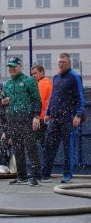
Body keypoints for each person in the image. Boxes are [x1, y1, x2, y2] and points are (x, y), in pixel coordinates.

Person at [42, 53, 85, 184]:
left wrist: (78, 114)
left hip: (68, 118)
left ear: (69, 63)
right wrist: (48, 113)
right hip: (54, 118)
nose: (61, 64)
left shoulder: (75, 77)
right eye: (59, 62)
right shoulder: (55, 77)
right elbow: (53, 97)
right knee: (49, 145)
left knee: (68, 147)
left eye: (63, 62)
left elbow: (80, 97)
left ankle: (67, 175)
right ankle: (45, 174)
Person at [1, 57, 42, 186]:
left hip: (27, 118)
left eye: (14, 66)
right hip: (13, 119)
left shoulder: (29, 80)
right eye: (9, 67)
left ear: (20, 66)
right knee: (17, 148)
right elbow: (3, 100)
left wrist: (36, 116)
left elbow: (37, 99)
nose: (11, 69)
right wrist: (4, 101)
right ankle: (22, 176)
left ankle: (36, 176)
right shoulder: (7, 84)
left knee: (31, 147)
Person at [31, 64, 53, 175]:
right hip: (44, 118)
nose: (33, 75)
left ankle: (41, 172)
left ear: (42, 72)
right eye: (32, 74)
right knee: (45, 145)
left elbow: (39, 100)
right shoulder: (46, 82)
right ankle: (44, 171)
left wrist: (36, 116)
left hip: (42, 119)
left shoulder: (43, 83)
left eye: (35, 73)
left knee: (38, 144)